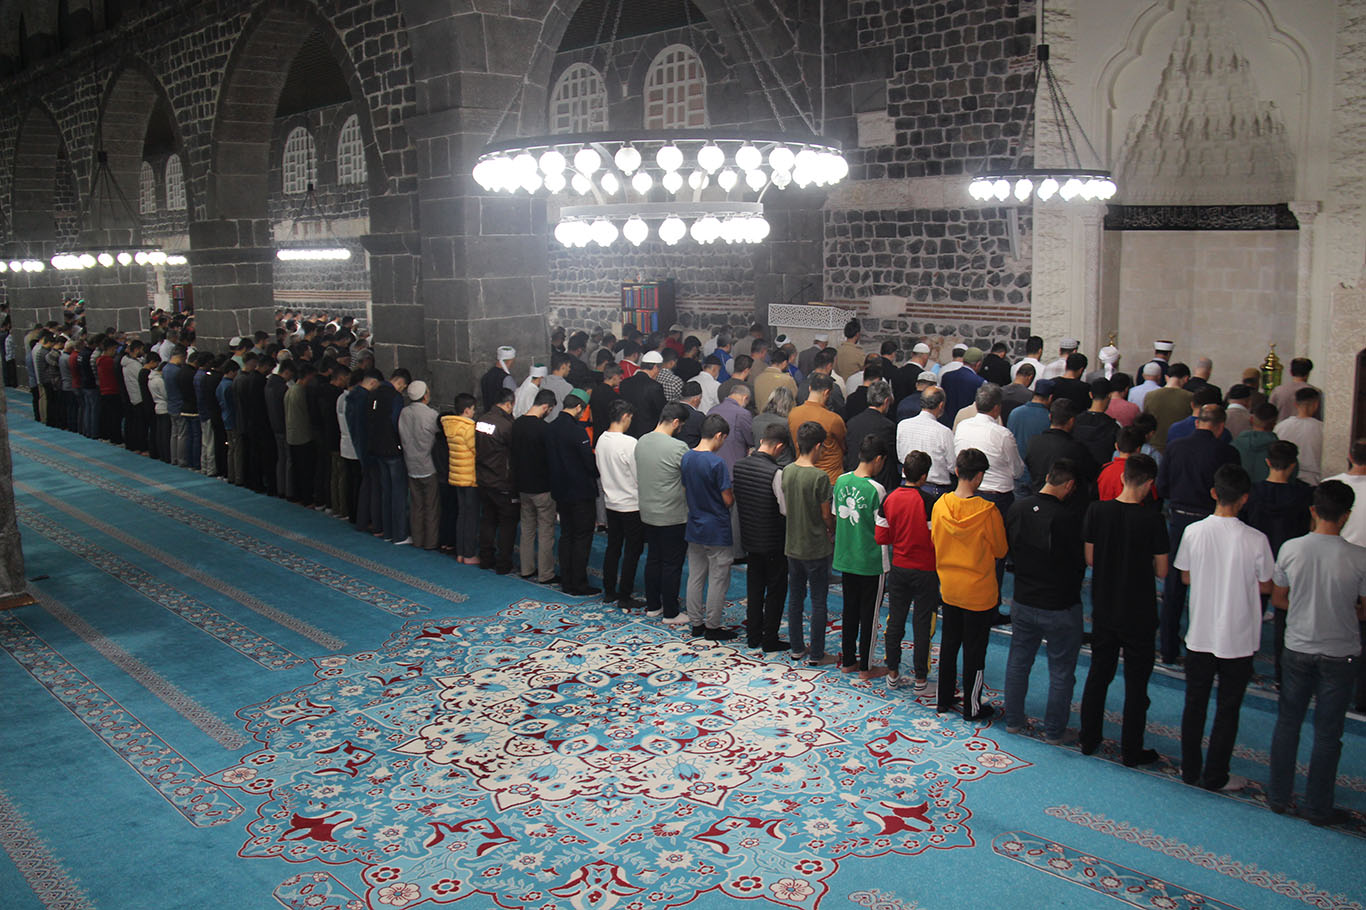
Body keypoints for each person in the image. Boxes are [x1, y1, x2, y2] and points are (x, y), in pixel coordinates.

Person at [1267, 479, 1366, 825]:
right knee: (1328, 733)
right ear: (1346, 516)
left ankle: (1278, 796)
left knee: (1288, 723)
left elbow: (1279, 600)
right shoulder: (1359, 557)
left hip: (1297, 646)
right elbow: (1363, 609)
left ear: (1313, 510)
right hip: (1340, 653)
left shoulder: (1292, 548)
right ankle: (1317, 807)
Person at [1175, 464, 1274, 792]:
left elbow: (1185, 576)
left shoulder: (1193, 532)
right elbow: (1265, 585)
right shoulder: (1256, 539)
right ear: (1244, 499)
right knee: (1228, 708)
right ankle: (1216, 774)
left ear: (1214, 493)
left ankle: (1189, 770)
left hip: (1200, 631)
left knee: (1195, 702)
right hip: (1239, 635)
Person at [1079, 453, 1168, 765]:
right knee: (1136, 684)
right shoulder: (1153, 519)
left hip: (1104, 606)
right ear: (1148, 484)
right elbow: (1162, 570)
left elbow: (1090, 558)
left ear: (1122, 478)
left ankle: (1088, 739)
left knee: (1098, 675)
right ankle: (1131, 750)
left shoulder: (1097, 510)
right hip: (1139, 611)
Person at [1003, 457, 1086, 744]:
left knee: (1018, 661)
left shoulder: (1019, 507)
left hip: (1024, 599)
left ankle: (1012, 721)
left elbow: (1009, 548)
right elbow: (1079, 564)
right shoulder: (1070, 518)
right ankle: (1054, 731)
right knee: (1061, 670)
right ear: (1069, 485)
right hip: (1060, 604)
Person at [1157, 404, 1241, 665]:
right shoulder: (1226, 452)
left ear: (1197, 422)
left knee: (1173, 586)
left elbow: (1162, 486)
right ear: (1220, 427)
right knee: (1209, 586)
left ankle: (1168, 648)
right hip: (1211, 521)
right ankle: (1206, 649)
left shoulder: (1175, 447)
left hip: (1180, 519)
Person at [932, 447, 1009, 720]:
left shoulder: (940, 505)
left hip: (950, 588)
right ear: (978, 477)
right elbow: (1001, 550)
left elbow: (935, 541)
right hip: (978, 591)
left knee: (949, 644)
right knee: (975, 651)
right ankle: (972, 707)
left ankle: (943, 698)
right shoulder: (988, 511)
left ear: (956, 472)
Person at [1243, 440, 1313, 683]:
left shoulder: (1252, 492)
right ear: (1293, 465)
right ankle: (1284, 675)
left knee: (1252, 614)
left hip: (1256, 561)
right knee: (1286, 619)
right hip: (1290, 562)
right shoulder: (1304, 496)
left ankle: (1245, 665)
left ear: (1267, 462)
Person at [876, 451, 939, 690]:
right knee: (923, 625)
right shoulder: (929, 502)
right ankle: (921, 679)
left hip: (899, 569)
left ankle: (892, 673)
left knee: (895, 621)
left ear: (904, 471)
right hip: (925, 571)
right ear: (924, 476)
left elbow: (881, 536)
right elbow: (936, 539)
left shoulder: (889, 498)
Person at [835, 434, 891, 678]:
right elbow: (883, 531)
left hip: (846, 557)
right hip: (870, 561)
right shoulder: (876, 489)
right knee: (869, 615)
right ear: (878, 459)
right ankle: (867, 667)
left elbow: (838, 515)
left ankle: (848, 660)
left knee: (849, 610)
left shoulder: (840, 481)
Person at [733, 423, 791, 651]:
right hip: (773, 541)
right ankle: (770, 639)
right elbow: (784, 509)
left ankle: (753, 635)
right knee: (775, 591)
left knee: (754, 589)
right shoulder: (775, 473)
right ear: (779, 446)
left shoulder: (739, 466)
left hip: (750, 537)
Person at [784, 421, 838, 665]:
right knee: (818, 601)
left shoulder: (787, 470)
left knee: (795, 597)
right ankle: (817, 653)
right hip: (816, 547)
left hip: (793, 545)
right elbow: (826, 515)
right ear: (817, 446)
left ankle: (796, 647)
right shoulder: (820, 477)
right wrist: (832, 529)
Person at [681, 414, 738, 639]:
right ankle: (713, 626)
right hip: (717, 528)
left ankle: (696, 622)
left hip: (694, 524)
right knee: (718, 579)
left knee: (695, 576)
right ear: (718, 436)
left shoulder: (687, 457)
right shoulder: (717, 463)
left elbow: (686, 489)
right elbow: (727, 499)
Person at [637, 403, 691, 623]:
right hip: (672, 514)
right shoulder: (678, 447)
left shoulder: (641, 441)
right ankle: (671, 612)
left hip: (647, 511)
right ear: (676, 422)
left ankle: (653, 605)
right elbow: (689, 479)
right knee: (671, 563)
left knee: (653, 558)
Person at [547, 389, 600, 596]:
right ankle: (578, 583)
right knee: (582, 538)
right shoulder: (577, 432)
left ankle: (567, 579)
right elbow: (588, 462)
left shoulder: (550, 428)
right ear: (579, 407)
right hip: (580, 492)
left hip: (560, 490)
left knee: (567, 535)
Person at [596, 399, 645, 608]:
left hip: (611, 502)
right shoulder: (629, 443)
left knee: (613, 547)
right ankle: (625, 594)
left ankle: (609, 590)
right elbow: (638, 475)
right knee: (632, 551)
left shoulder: (601, 440)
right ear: (625, 416)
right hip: (631, 504)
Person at [954, 383, 1025, 521]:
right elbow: (1017, 471)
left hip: (967, 491)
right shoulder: (1003, 434)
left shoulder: (962, 427)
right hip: (997, 497)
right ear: (997, 408)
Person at [509, 388, 558, 581]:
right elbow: (550, 461)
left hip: (522, 485)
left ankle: (526, 568)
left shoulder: (517, 424)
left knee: (527, 529)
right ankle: (546, 573)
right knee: (546, 530)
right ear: (546, 406)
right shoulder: (544, 429)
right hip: (542, 487)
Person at [474, 387, 517, 572]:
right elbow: (515, 452)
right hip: (502, 480)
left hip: (484, 477)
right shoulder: (507, 426)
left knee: (488, 520)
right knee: (507, 524)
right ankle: (503, 563)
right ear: (508, 404)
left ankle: (486, 558)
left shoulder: (481, 420)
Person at [1024, 400, 1098, 498]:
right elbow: (1092, 473)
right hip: (1066, 504)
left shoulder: (1032, 442)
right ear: (1071, 421)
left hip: (1037, 497)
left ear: (1050, 416)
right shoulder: (1077, 449)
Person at [398, 380, 441, 549]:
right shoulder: (430, 415)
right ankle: (430, 542)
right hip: (428, 465)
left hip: (411, 464)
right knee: (431, 506)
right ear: (425, 396)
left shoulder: (404, 413)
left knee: (416, 505)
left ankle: (417, 539)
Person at [369, 368, 410, 542]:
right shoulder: (395, 397)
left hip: (376, 448)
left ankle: (387, 531)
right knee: (398, 492)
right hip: (392, 449)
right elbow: (396, 423)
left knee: (385, 491)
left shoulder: (373, 393)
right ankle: (399, 534)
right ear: (401, 383)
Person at [440, 393, 480, 564]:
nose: (474, 412)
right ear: (467, 410)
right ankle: (469, 554)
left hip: (456, 475)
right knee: (470, 517)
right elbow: (476, 451)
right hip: (469, 476)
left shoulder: (450, 425)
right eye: (473, 409)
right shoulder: (468, 428)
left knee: (461, 514)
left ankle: (460, 552)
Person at [788, 372, 846, 483]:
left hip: (803, 475)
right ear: (827, 392)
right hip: (829, 477)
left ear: (810, 388)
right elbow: (843, 445)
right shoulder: (833, 419)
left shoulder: (793, 414)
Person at [845, 380, 899, 492]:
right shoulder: (888, 426)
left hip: (853, 480)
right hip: (879, 484)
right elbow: (892, 458)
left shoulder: (852, 423)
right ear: (886, 401)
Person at [1274, 387, 1324, 485]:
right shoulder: (1322, 429)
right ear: (1316, 405)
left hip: (1285, 477)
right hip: (1312, 480)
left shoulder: (1281, 426)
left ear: (1295, 404)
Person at [285, 363, 318, 507]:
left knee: (297, 468)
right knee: (305, 470)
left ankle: (297, 495)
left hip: (292, 434)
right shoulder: (301, 392)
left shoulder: (290, 390)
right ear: (308, 376)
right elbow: (307, 415)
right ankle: (307, 498)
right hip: (303, 436)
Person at [1143, 362, 1193, 452]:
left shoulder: (1150, 395)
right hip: (1179, 447)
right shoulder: (1190, 397)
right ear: (1186, 379)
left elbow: (1145, 421)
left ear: (1166, 377)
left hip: (1155, 446)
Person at [1097, 426, 1156, 501]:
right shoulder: (1142, 472)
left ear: (1116, 446)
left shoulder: (1104, 469)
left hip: (1105, 511)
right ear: (1139, 449)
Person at [1074, 378, 1119, 468]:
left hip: (1078, 472)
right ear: (1110, 395)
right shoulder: (1113, 426)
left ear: (1090, 395)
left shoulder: (1075, 421)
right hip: (1101, 472)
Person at [621, 350, 667, 437]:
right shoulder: (655, 387)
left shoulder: (625, 383)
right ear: (655, 367)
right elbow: (661, 411)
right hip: (647, 433)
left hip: (627, 431)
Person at [1233, 402, 1280, 484]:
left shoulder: (1234, 445)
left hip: (1240, 494)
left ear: (1251, 419)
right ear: (1274, 424)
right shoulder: (1282, 451)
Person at [939, 347, 985, 427]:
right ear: (978, 364)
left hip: (946, 423)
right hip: (968, 425)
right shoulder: (980, 382)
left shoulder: (946, 377)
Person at [751, 386, 794, 467]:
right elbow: (793, 448)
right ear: (788, 404)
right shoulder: (786, 423)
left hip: (760, 463)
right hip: (782, 465)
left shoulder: (756, 420)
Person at [1269, 357, 1322, 423]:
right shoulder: (1315, 392)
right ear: (1308, 373)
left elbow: (1269, 414)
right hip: (1307, 430)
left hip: (1281, 430)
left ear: (1291, 372)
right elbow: (1318, 416)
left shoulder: (1278, 391)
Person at [753, 347, 798, 412]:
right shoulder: (787, 380)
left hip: (760, 417)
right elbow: (792, 401)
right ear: (785, 363)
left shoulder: (758, 378)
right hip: (780, 419)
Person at [479, 345, 518, 412]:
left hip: (488, 415)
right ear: (509, 361)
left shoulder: (485, 377)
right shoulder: (506, 378)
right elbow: (513, 401)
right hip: (502, 417)